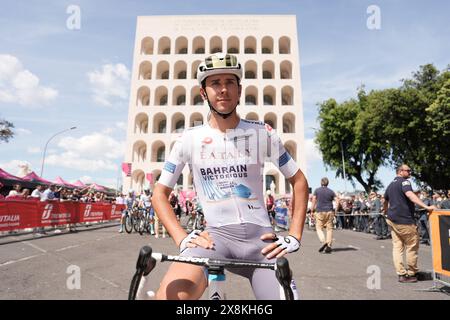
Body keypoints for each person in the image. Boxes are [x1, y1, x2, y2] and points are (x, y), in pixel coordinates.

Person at [140, 52, 308, 300]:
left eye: (230, 82)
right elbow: (159, 194)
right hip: (215, 239)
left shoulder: (263, 133)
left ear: (239, 90)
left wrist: (294, 235)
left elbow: (299, 181)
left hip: (261, 243)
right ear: (203, 93)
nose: (223, 90)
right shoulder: (189, 139)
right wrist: (182, 238)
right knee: (169, 299)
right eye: (215, 83)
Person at [383, 164, 437, 283]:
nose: (410, 173)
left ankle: (401, 274)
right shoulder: (404, 182)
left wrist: (385, 211)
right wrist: (426, 207)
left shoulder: (390, 184)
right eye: (408, 171)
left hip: (392, 220)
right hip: (405, 220)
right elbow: (410, 195)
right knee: (412, 247)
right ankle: (412, 273)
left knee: (397, 247)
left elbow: (385, 200)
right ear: (401, 171)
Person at [311, 177, 338, 254]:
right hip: (330, 211)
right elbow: (337, 200)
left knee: (319, 228)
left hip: (320, 211)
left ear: (321, 183)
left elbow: (313, 200)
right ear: (327, 183)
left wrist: (312, 210)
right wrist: (335, 210)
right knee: (329, 229)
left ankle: (324, 242)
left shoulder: (317, 190)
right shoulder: (331, 191)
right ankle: (329, 245)